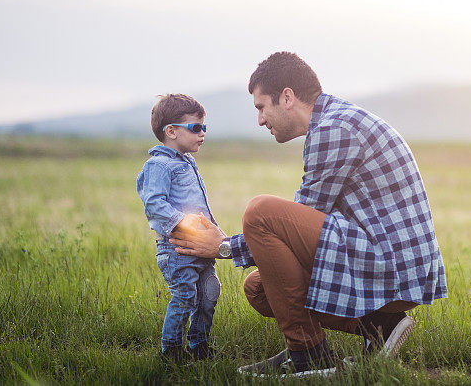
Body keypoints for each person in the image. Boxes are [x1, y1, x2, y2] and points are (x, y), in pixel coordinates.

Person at [170, 52, 447, 377]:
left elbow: (297, 217)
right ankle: (380, 326)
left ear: (286, 97)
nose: (260, 120)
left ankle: (308, 354)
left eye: (261, 107)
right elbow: (307, 225)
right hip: (386, 262)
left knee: (260, 212)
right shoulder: (337, 122)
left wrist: (224, 247)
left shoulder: (335, 128)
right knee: (260, 289)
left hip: (389, 269)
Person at [136, 93, 221, 363]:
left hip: (200, 246)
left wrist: (211, 230)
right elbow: (153, 204)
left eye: (204, 127)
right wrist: (183, 222)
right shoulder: (158, 165)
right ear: (171, 131)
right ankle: (171, 351)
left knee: (209, 294)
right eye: (196, 128)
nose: (202, 133)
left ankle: (199, 345)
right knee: (185, 296)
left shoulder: (187, 162)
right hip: (177, 248)